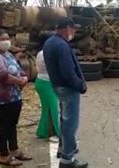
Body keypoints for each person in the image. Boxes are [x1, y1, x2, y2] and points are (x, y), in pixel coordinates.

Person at [43, 17, 88, 168]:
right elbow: (68, 72)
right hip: (67, 88)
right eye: (73, 29)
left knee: (65, 120)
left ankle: (64, 151)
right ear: (67, 28)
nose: (74, 32)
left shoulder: (50, 42)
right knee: (70, 124)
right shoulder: (61, 45)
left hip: (58, 86)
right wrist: (80, 85)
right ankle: (67, 160)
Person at [0, 30, 32, 166]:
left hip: (15, 95)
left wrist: (24, 77)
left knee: (12, 124)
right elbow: (3, 76)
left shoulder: (7, 54)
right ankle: (4, 155)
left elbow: (17, 68)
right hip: (4, 96)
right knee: (4, 125)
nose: (6, 41)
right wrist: (20, 81)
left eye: (7, 38)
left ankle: (15, 151)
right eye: (3, 39)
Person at [34, 32, 60, 142]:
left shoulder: (40, 53)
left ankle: (43, 131)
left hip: (41, 81)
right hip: (47, 83)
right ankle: (57, 133)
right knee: (54, 109)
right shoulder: (48, 54)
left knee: (47, 108)